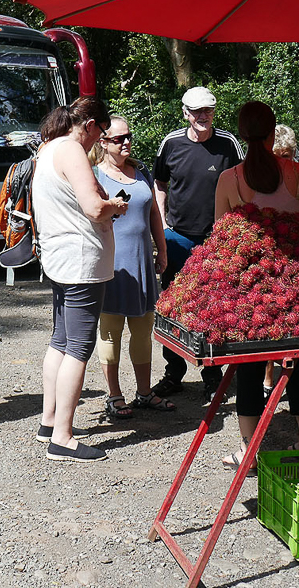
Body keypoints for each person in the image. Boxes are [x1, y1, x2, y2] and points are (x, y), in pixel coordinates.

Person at [214, 101, 299, 468]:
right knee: (297, 361)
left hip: (251, 289)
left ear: (241, 132)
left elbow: (219, 235)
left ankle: (248, 450)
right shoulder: (298, 173)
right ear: (273, 129)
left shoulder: (230, 178)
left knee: (249, 365)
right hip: (296, 284)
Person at [34, 97, 130, 462]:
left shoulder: (48, 148)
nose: (98, 142)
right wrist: (116, 206)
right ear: (90, 125)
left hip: (60, 259)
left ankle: (48, 422)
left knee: (60, 340)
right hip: (80, 263)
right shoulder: (72, 150)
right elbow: (93, 208)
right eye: (100, 133)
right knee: (78, 347)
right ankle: (63, 437)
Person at [151, 87, 243, 401]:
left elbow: (243, 184)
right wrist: (163, 226)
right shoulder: (171, 142)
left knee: (215, 307)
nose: (203, 117)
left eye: (208, 111)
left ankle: (213, 375)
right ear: (185, 112)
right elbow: (159, 183)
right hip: (177, 236)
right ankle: (173, 373)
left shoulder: (228, 144)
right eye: (196, 111)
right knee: (173, 307)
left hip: (216, 240)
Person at [90, 116, 174, 420]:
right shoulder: (94, 176)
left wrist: (161, 248)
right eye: (118, 138)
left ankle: (144, 392)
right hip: (111, 265)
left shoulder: (141, 172)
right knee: (110, 331)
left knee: (143, 330)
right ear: (103, 142)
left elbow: (153, 212)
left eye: (129, 137)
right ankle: (114, 396)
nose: (126, 142)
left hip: (141, 262)